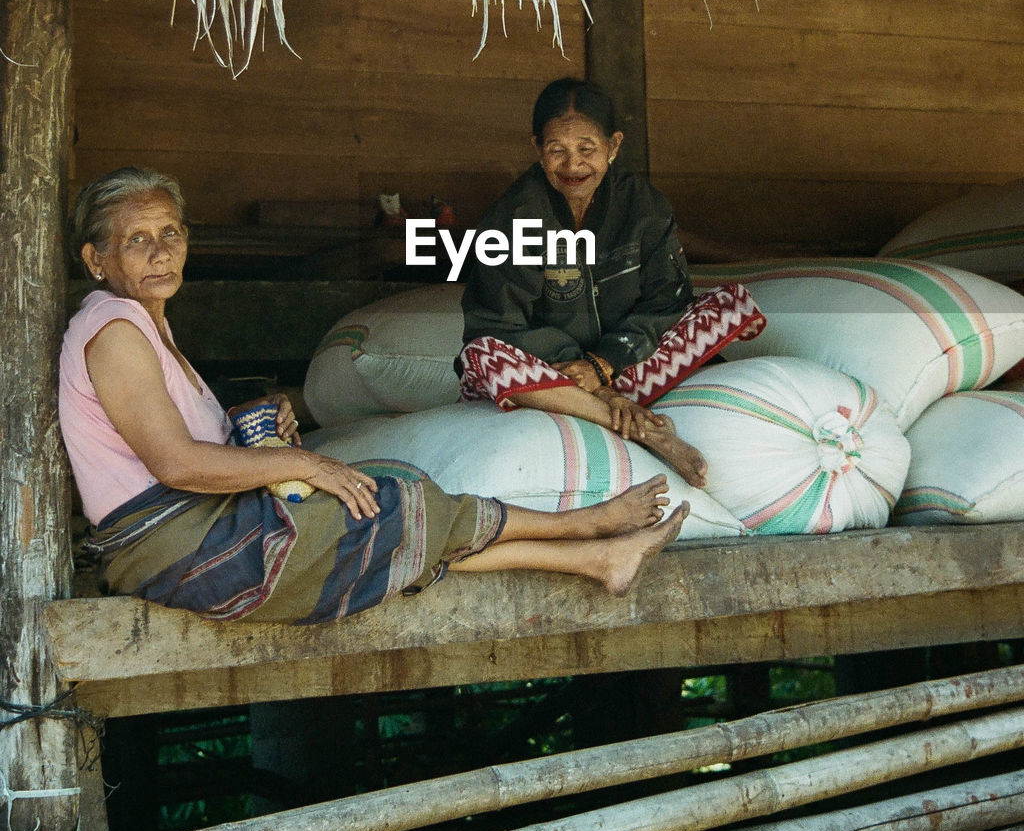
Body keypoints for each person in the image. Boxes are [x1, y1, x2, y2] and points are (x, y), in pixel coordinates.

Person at [59, 167, 686, 624]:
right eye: (137, 239)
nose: (161, 251)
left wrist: (265, 424)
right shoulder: (114, 331)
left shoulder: (145, 324)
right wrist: (307, 463)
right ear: (95, 257)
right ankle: (587, 526)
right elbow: (176, 464)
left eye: (170, 232)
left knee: (388, 520)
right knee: (387, 506)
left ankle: (599, 559)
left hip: (195, 531)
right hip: (175, 548)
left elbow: (187, 442)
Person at [460, 78, 766, 487]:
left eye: (587, 149)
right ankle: (643, 428)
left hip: (626, 361)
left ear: (614, 146)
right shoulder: (512, 219)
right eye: (557, 150)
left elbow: (666, 301)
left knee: (729, 304)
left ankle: (609, 401)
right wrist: (591, 380)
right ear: (537, 148)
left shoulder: (642, 206)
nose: (573, 166)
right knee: (481, 356)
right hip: (556, 377)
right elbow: (498, 325)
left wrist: (603, 364)